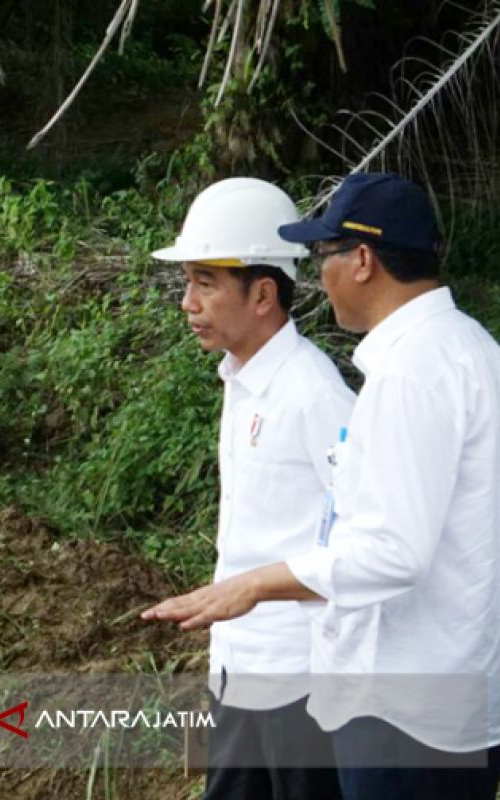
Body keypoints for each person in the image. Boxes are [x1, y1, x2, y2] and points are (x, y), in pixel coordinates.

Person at [144, 173, 500, 798]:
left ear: (362, 259)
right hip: (434, 693)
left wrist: (255, 586)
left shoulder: (403, 376)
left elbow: (390, 549)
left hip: (401, 704)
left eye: (324, 256)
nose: (317, 277)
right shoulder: (467, 349)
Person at [151, 177, 353, 799]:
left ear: (264, 292)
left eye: (205, 283)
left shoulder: (314, 393)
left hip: (299, 686)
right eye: (187, 282)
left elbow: (365, 539)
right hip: (239, 672)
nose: (188, 302)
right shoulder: (241, 381)